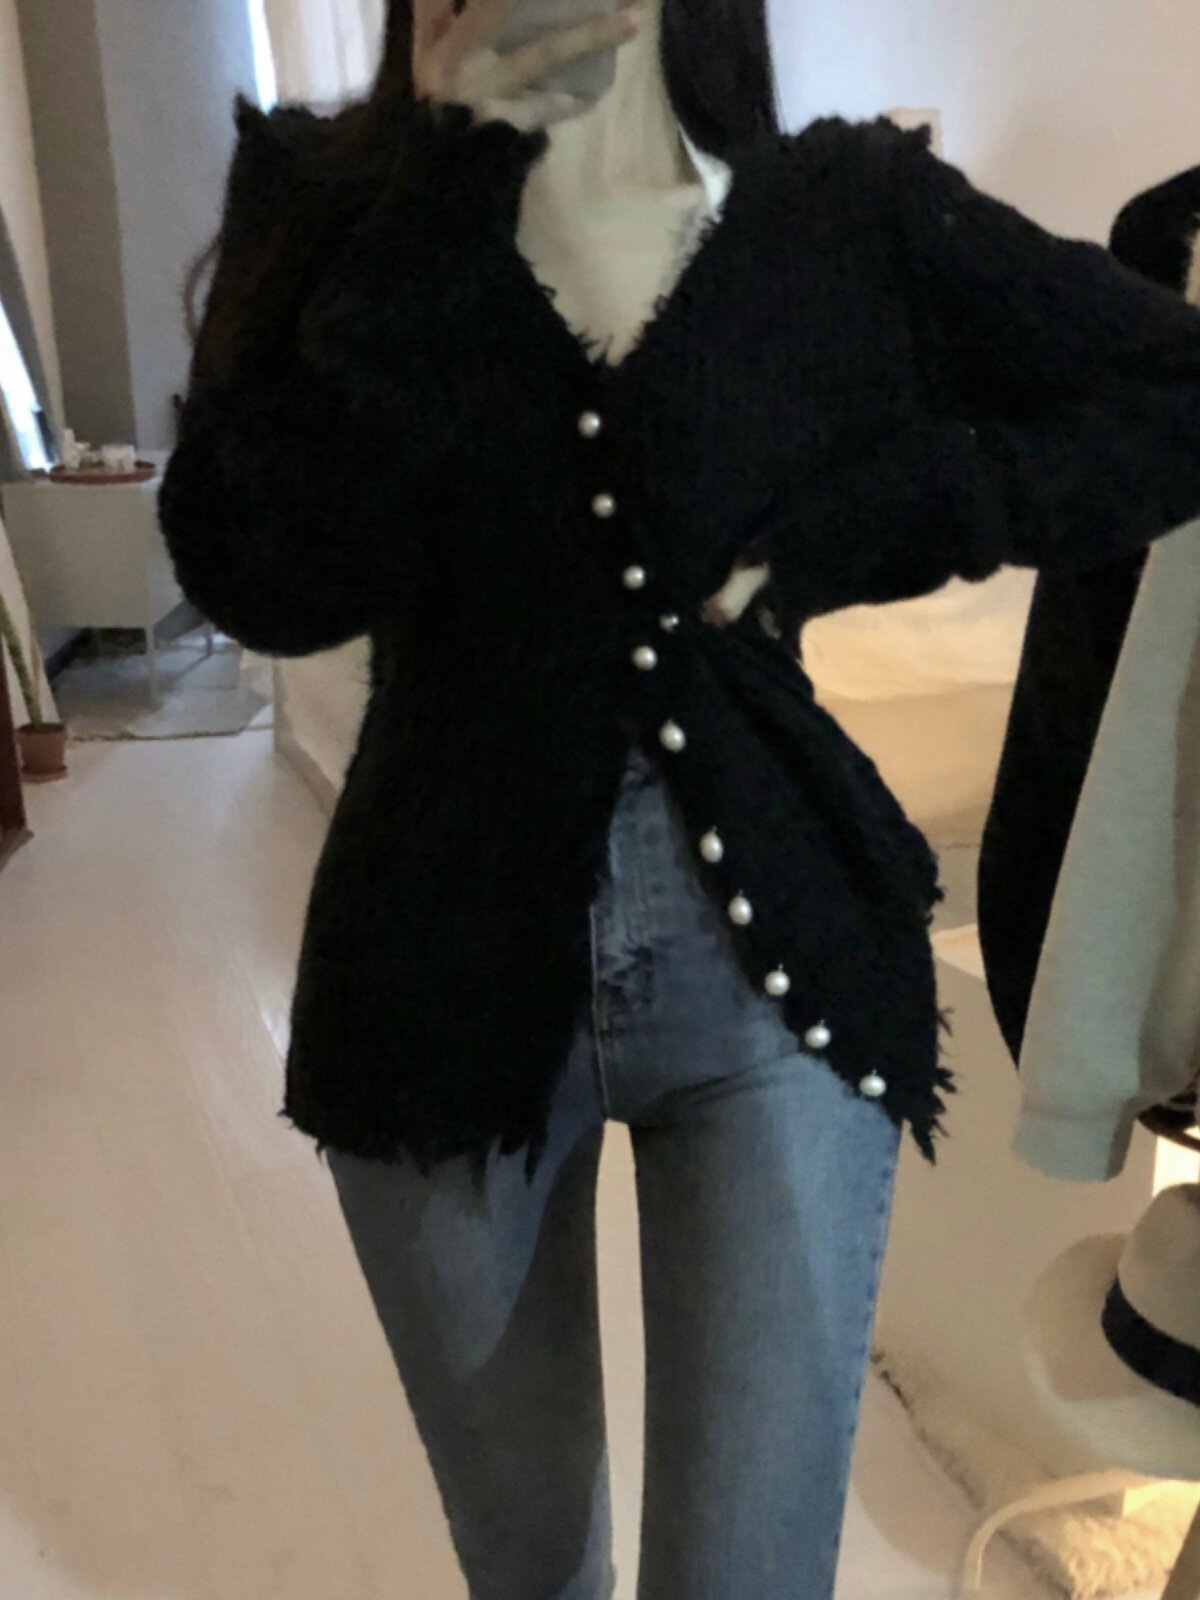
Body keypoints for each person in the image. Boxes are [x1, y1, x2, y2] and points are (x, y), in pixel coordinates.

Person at [157, 2, 1200, 1594]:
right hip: (434, 976)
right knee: (531, 1572)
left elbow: (1170, 394)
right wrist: (441, 186)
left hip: (775, 975)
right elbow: (254, 570)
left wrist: (903, 507)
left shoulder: (842, 213)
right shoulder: (326, 199)